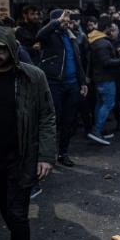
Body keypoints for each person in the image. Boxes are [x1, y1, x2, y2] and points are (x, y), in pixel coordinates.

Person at [0, 26, 56, 240]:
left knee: (18, 217)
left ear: (12, 49)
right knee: (7, 213)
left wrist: (46, 156)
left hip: (20, 160)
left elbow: (47, 116)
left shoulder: (32, 77)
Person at [36, 9, 88, 167]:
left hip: (72, 84)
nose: (67, 23)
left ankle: (63, 153)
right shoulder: (49, 36)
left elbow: (77, 61)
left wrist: (83, 82)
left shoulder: (70, 36)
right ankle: (46, 155)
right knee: (53, 120)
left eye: (67, 20)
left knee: (69, 121)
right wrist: (58, 22)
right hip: (54, 84)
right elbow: (40, 35)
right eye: (63, 20)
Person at [87, 17, 120, 145]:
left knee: (100, 104)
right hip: (106, 79)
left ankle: (98, 129)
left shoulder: (95, 40)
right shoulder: (103, 43)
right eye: (111, 27)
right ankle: (97, 130)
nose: (112, 30)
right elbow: (106, 62)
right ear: (107, 27)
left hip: (99, 78)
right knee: (108, 104)